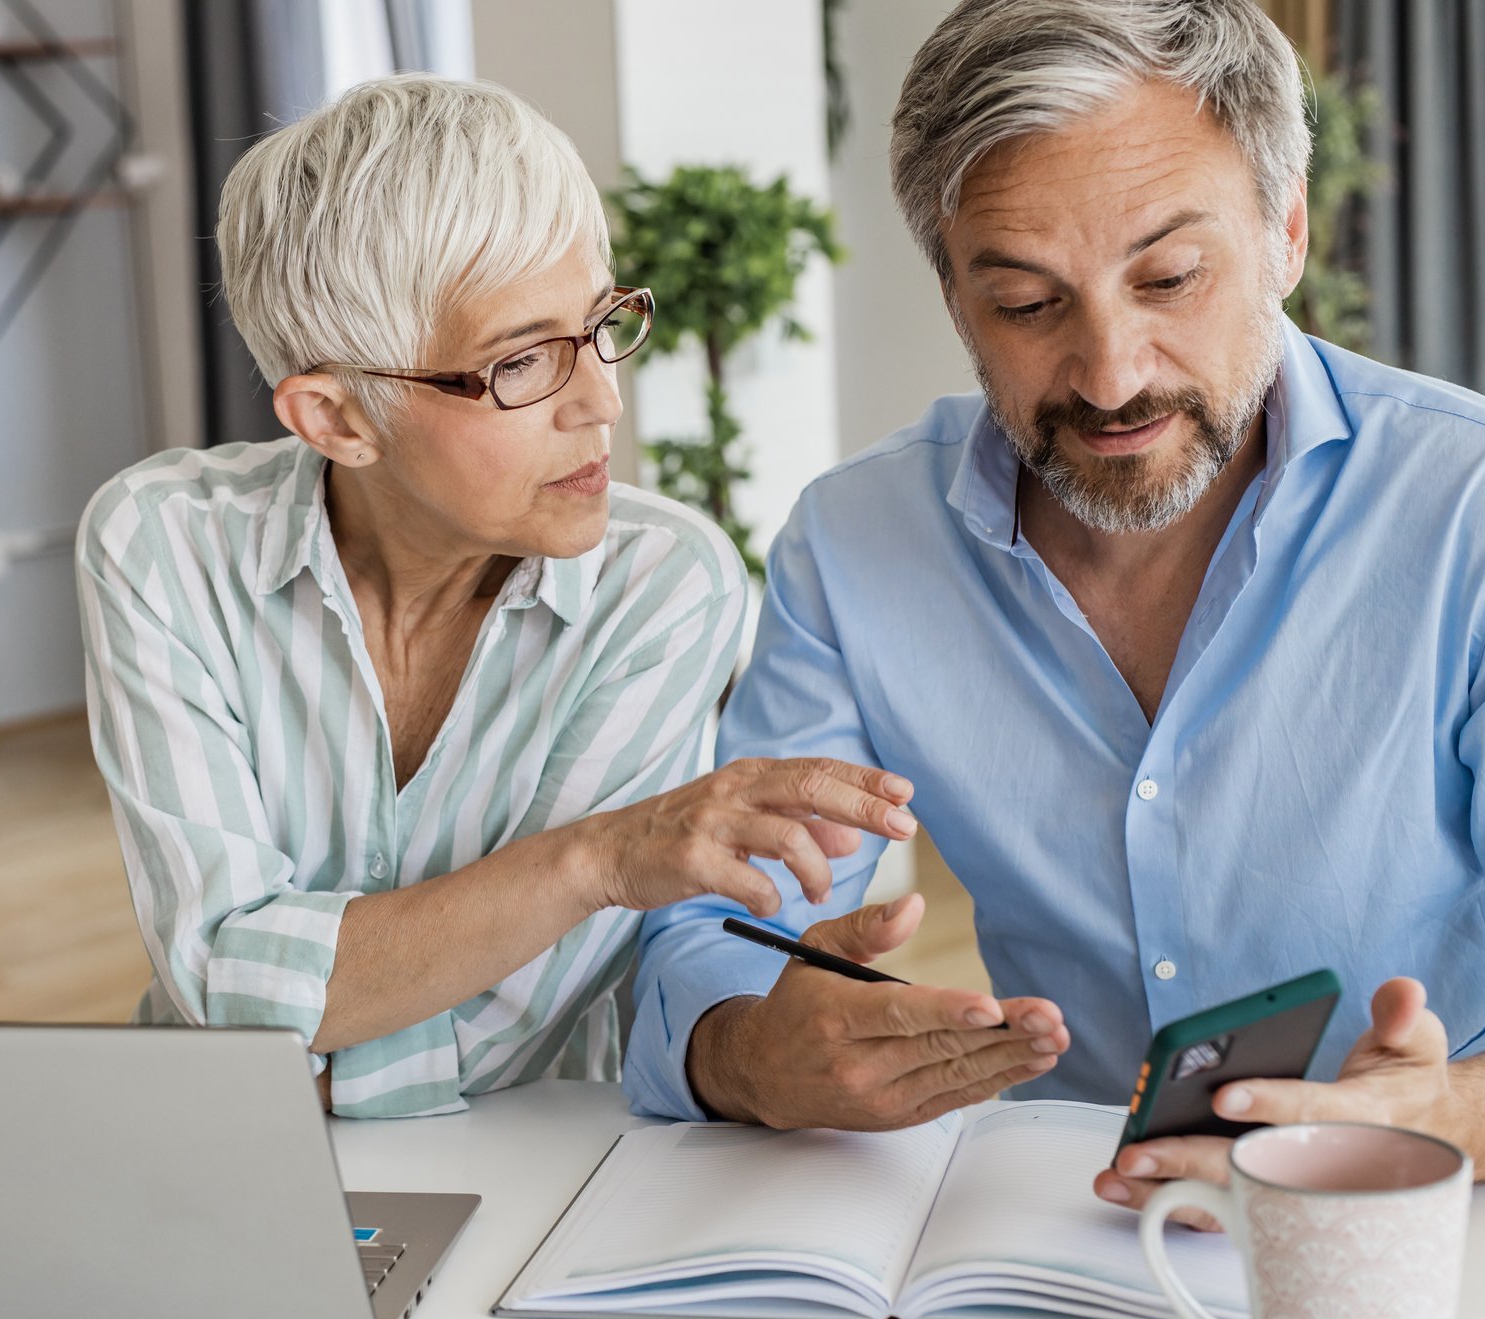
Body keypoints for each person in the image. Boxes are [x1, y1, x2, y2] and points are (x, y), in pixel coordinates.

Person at [624, 0, 1484, 1221]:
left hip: (1424, 1231)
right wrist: (749, 1046)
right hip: (1059, 1237)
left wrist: (1442, 1112)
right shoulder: (858, 546)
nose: (1111, 375)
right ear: (952, 290)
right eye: (1027, 304)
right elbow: (719, 939)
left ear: (1287, 234)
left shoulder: (1466, 509)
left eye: (1172, 279)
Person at [77, 75, 914, 1119]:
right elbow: (220, 980)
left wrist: (304, 1053)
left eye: (602, 322)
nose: (602, 401)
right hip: (213, 1145)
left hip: (528, 1153)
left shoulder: (662, 586)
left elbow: (515, 1016)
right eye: (522, 361)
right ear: (336, 417)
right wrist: (599, 860)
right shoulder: (163, 544)